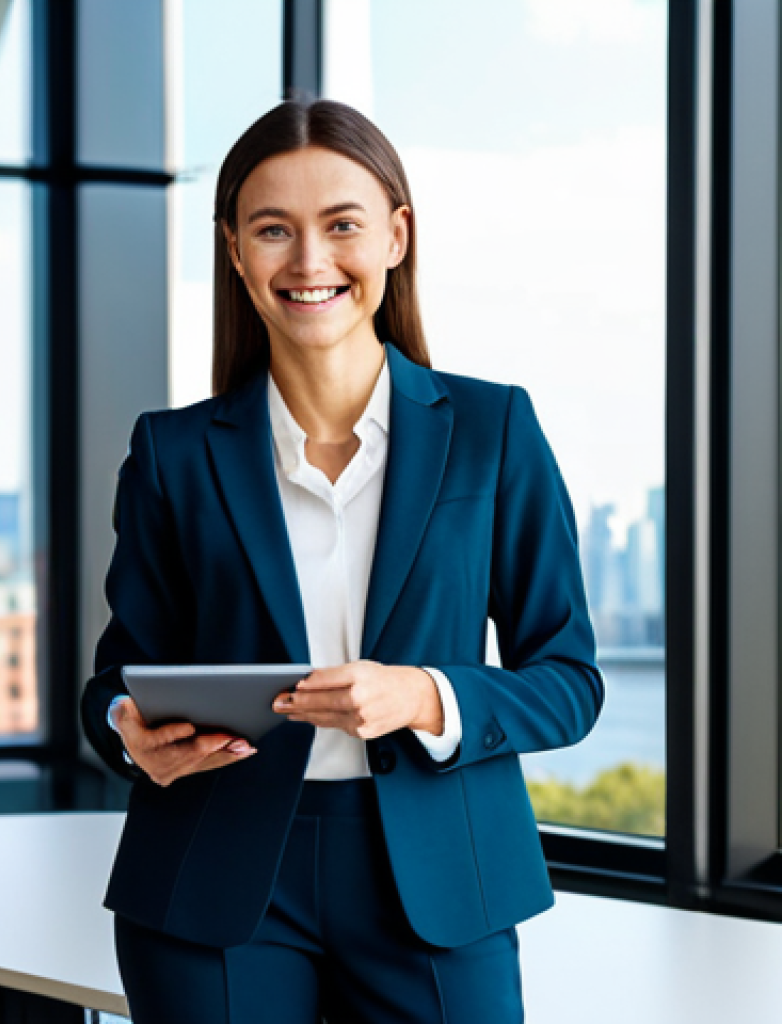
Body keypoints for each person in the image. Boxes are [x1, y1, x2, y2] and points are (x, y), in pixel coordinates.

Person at [81, 98, 603, 1024]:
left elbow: (567, 681)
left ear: (397, 236)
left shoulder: (493, 431)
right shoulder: (172, 452)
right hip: (214, 871)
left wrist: (424, 697)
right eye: (273, 229)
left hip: (443, 880)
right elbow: (118, 674)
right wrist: (130, 725)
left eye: (342, 225)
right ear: (236, 252)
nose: (309, 261)